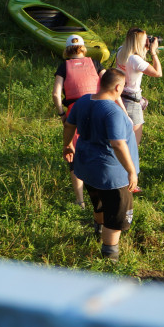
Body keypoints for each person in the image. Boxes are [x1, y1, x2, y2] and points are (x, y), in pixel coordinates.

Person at [62, 68, 139, 261]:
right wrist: (131, 172)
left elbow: (69, 125)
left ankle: (98, 232)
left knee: (99, 203)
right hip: (113, 174)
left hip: (87, 168)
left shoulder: (83, 101)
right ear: (118, 87)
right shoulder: (112, 111)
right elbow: (117, 144)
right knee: (116, 214)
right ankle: (110, 255)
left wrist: (67, 145)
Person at [51, 34, 106, 207]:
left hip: (75, 111)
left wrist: (62, 114)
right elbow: (109, 83)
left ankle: (80, 200)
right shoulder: (96, 64)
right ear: (83, 48)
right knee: (100, 149)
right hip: (97, 108)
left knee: (74, 154)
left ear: (67, 50)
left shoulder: (63, 67)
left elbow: (55, 93)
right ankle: (103, 193)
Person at [113, 28, 163, 146]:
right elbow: (158, 73)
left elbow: (135, 62)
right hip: (132, 101)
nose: (147, 40)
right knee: (133, 144)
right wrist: (153, 52)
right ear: (139, 42)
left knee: (120, 137)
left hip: (120, 97)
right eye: (145, 39)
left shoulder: (121, 51)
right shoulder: (135, 59)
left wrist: (144, 49)